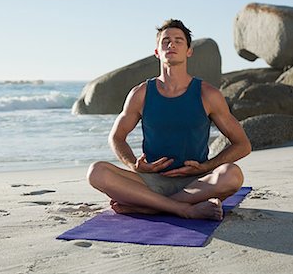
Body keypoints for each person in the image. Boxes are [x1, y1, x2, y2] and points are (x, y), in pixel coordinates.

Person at [87, 19, 251, 221]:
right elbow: (117, 137)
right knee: (96, 171)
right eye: (165, 41)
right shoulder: (141, 93)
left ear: (189, 51)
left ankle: (152, 206)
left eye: (178, 41)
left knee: (233, 175)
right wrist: (134, 165)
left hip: (197, 182)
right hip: (149, 181)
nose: (171, 45)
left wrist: (207, 167)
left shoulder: (207, 94)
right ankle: (182, 209)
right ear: (157, 52)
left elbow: (242, 145)